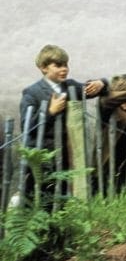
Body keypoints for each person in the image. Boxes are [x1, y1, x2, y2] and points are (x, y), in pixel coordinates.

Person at [19, 44, 109, 209]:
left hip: (63, 153)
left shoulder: (70, 86)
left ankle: (56, 232)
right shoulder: (31, 93)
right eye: (58, 65)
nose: (64, 69)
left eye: (66, 65)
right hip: (39, 155)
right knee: (33, 197)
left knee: (57, 197)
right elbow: (26, 126)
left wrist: (102, 83)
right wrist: (49, 112)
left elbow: (95, 90)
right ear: (43, 68)